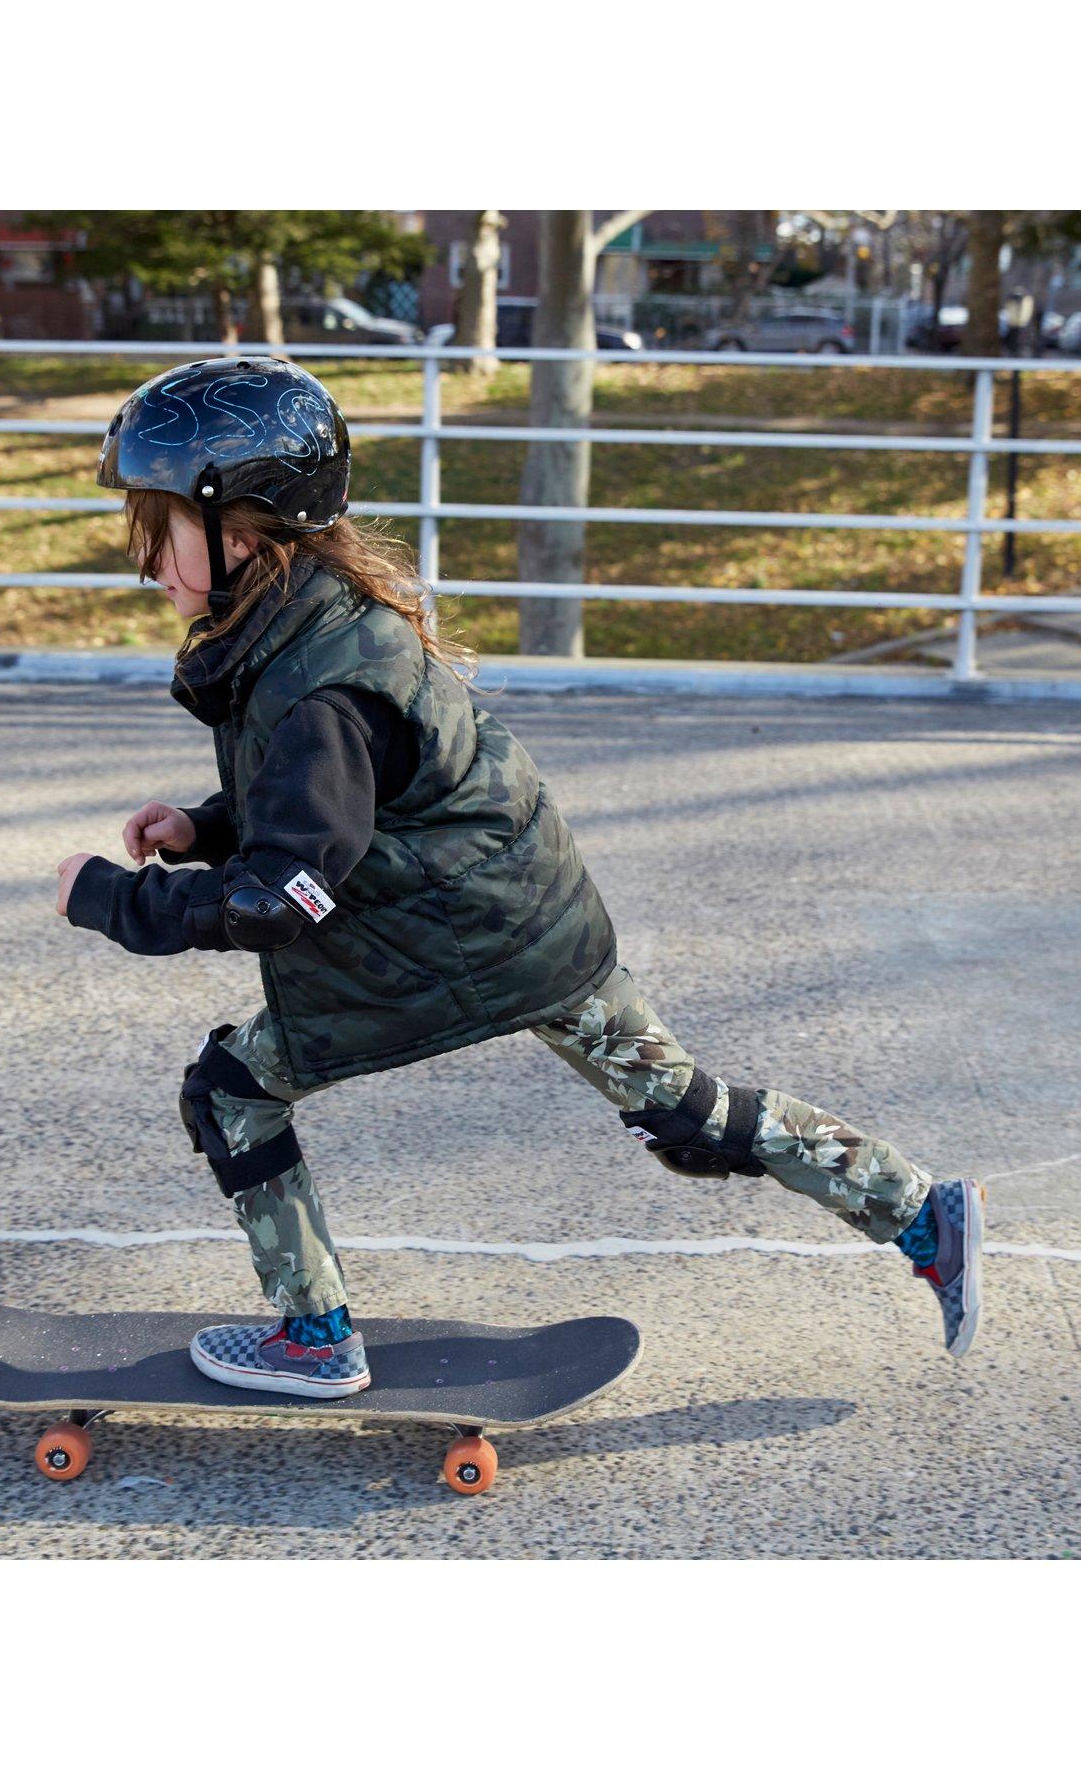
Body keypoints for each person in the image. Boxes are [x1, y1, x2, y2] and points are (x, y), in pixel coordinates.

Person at [55, 355, 984, 1400]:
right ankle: (916, 1206)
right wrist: (206, 824)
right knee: (681, 1114)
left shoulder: (315, 677)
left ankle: (316, 1341)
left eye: (157, 530)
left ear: (242, 530)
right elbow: (342, 804)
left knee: (231, 1094)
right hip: (519, 915)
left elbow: (287, 896)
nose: (146, 564)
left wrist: (110, 899)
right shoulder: (311, 622)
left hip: (454, 938)